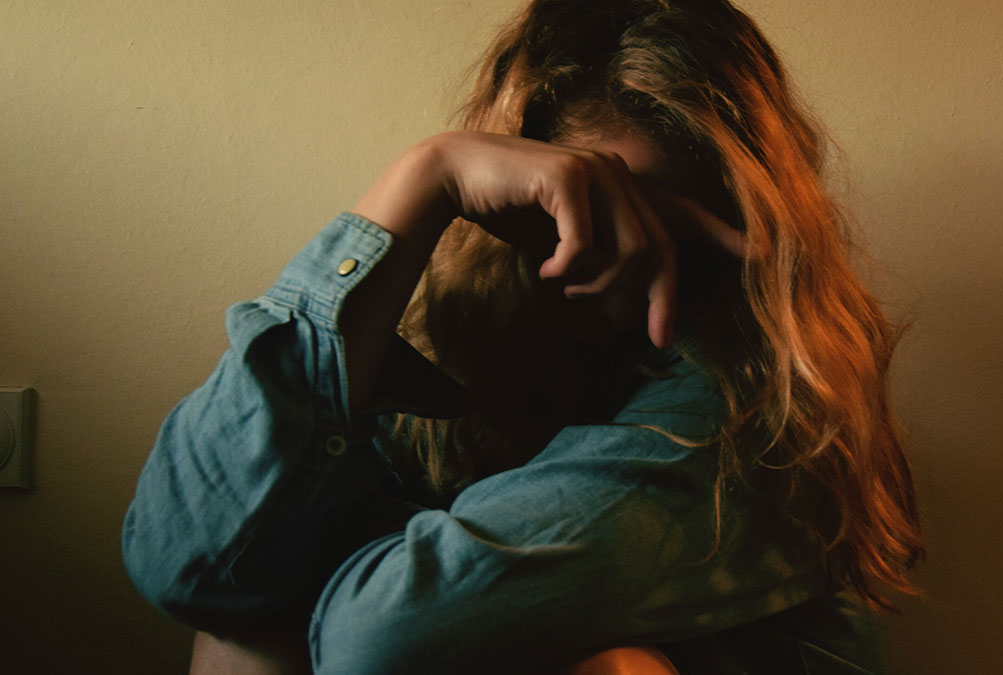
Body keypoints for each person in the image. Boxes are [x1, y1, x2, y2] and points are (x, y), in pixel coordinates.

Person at [122, 0, 924, 673]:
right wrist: (423, 180)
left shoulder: (764, 410)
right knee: (243, 621)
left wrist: (315, 554)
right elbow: (192, 563)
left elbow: (386, 637)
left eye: (663, 222)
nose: (625, 258)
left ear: (739, 220)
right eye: (588, 209)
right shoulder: (471, 338)